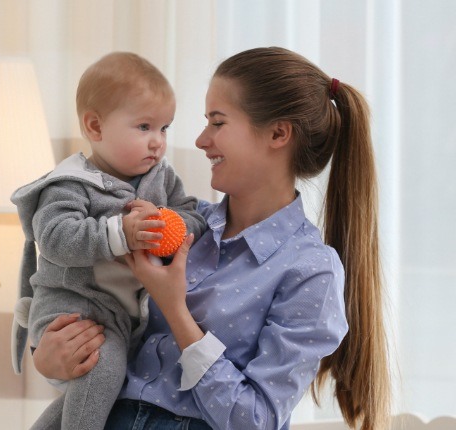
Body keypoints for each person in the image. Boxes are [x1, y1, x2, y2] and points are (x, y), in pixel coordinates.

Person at [30, 47, 391, 430]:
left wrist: (176, 311)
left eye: (217, 123)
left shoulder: (309, 270)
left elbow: (256, 420)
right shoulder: (181, 224)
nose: (202, 140)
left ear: (278, 133)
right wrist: (51, 361)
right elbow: (105, 325)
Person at [10, 52, 206, 429]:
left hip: (120, 316)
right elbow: (54, 238)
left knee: (106, 388)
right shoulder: (70, 184)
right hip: (73, 307)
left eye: (164, 128)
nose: (157, 142)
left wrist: (171, 223)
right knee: (102, 370)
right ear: (96, 127)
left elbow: (194, 216)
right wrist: (122, 233)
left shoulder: (161, 179)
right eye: (144, 126)